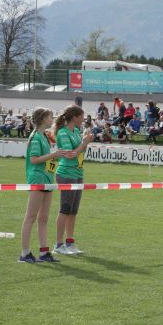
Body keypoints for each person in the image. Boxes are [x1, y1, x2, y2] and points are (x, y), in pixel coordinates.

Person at [19, 107, 70, 263]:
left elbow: (46, 159)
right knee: (31, 217)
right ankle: (25, 253)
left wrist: (57, 157)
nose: (52, 119)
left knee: (44, 218)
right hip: (37, 179)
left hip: (47, 179)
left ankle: (44, 252)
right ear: (42, 119)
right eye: (50, 117)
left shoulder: (44, 136)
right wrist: (54, 154)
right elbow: (34, 159)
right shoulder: (35, 137)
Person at [53, 105, 94, 255]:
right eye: (81, 116)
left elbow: (80, 151)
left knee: (73, 211)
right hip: (66, 174)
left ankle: (70, 243)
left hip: (78, 173)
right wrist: (83, 143)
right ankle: (58, 245)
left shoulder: (76, 131)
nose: (83, 119)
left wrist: (86, 141)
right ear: (75, 117)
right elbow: (69, 154)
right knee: (65, 209)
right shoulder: (63, 133)